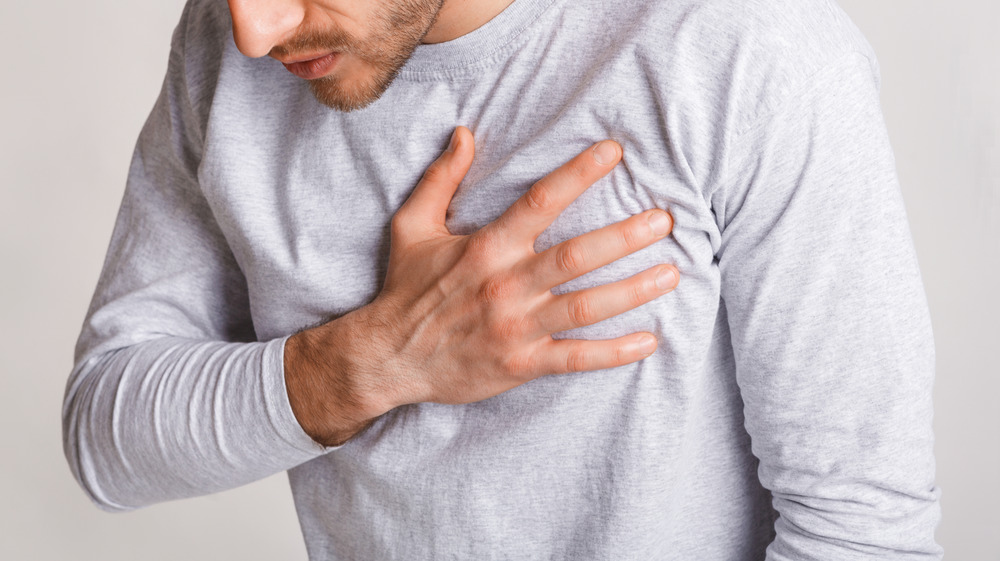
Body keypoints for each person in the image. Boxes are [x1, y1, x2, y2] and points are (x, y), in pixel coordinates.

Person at [63, 0, 943, 558]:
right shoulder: (226, 47)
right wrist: (376, 358)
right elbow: (106, 436)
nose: (255, 28)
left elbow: (866, 530)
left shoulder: (745, 47)